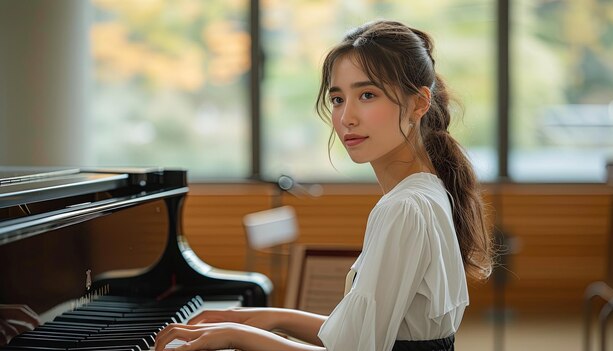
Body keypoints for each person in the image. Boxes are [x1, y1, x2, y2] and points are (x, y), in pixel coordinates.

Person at [154, 19, 493, 351]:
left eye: (368, 94)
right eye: (338, 99)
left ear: (419, 103)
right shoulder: (428, 191)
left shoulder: (403, 207)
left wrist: (235, 336)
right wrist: (267, 317)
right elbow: (353, 334)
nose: (347, 118)